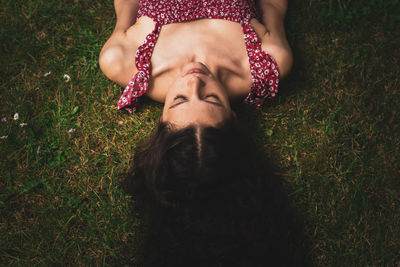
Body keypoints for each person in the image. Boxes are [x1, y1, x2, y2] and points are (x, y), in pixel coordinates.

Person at [100, 1, 305, 266]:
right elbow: (273, 6)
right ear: (233, 118)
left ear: (161, 120)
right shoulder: (266, 61)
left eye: (179, 99)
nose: (194, 80)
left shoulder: (122, 60)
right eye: (211, 98)